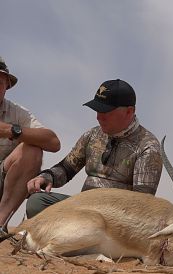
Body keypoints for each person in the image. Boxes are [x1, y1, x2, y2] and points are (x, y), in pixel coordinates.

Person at [26, 79, 163, 217]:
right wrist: (46, 177)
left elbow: (141, 205)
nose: (98, 117)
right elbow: (66, 168)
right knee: (36, 202)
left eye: (106, 111)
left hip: (114, 221)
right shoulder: (92, 135)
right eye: (97, 110)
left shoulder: (148, 147)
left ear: (129, 111)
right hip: (81, 209)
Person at [0, 56, 61, 234]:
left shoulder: (17, 113)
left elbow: (53, 142)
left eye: (0, 82)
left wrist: (10, 131)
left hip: (3, 182)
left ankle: (0, 222)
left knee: (33, 148)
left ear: (7, 87)